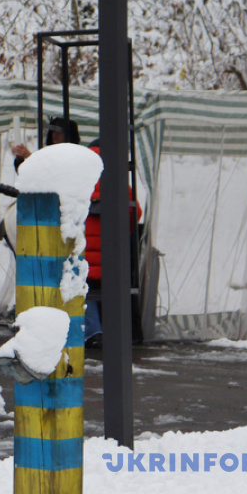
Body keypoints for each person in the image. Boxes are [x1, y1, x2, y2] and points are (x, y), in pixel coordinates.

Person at [83, 141, 142, 348]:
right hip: (112, 252)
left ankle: (93, 331)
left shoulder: (80, 181)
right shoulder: (118, 181)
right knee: (113, 290)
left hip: (85, 252)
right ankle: (118, 331)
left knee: (84, 288)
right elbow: (135, 213)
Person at [11, 116, 80, 171]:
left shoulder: (74, 155)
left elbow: (53, 172)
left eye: (60, 132)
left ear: (69, 135)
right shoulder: (48, 152)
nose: (55, 134)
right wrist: (20, 158)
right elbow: (28, 174)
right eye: (53, 131)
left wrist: (30, 157)